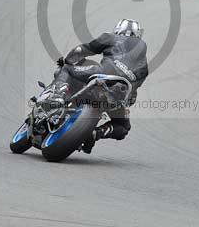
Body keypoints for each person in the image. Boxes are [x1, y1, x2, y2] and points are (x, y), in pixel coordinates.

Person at [38, 19, 148, 153]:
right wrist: (123, 104)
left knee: (67, 69)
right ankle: (96, 133)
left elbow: (82, 50)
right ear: (138, 35)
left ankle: (57, 95)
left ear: (118, 30)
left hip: (102, 74)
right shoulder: (144, 67)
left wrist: (67, 61)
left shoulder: (111, 37)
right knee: (123, 127)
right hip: (120, 93)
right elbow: (132, 97)